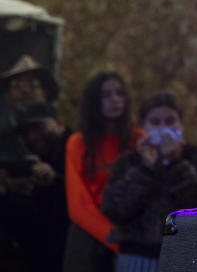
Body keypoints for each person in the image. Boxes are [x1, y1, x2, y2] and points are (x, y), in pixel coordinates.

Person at [101, 92, 197, 272]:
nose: (163, 128)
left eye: (170, 121)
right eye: (155, 122)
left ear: (181, 123)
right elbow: (114, 210)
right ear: (143, 126)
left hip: (188, 257)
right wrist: (144, 169)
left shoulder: (196, 157)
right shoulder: (129, 161)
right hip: (137, 258)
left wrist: (175, 164)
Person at [64, 71, 142, 272]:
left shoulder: (139, 139)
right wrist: (115, 240)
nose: (115, 100)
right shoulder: (78, 143)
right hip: (89, 234)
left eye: (119, 93)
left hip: (132, 231)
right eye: (106, 95)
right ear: (94, 101)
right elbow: (78, 205)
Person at [0, 101, 70, 271]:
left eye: (38, 128)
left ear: (59, 123)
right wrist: (5, 194)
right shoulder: (38, 159)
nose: (31, 137)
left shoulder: (78, 148)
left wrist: (56, 179)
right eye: (26, 133)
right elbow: (33, 226)